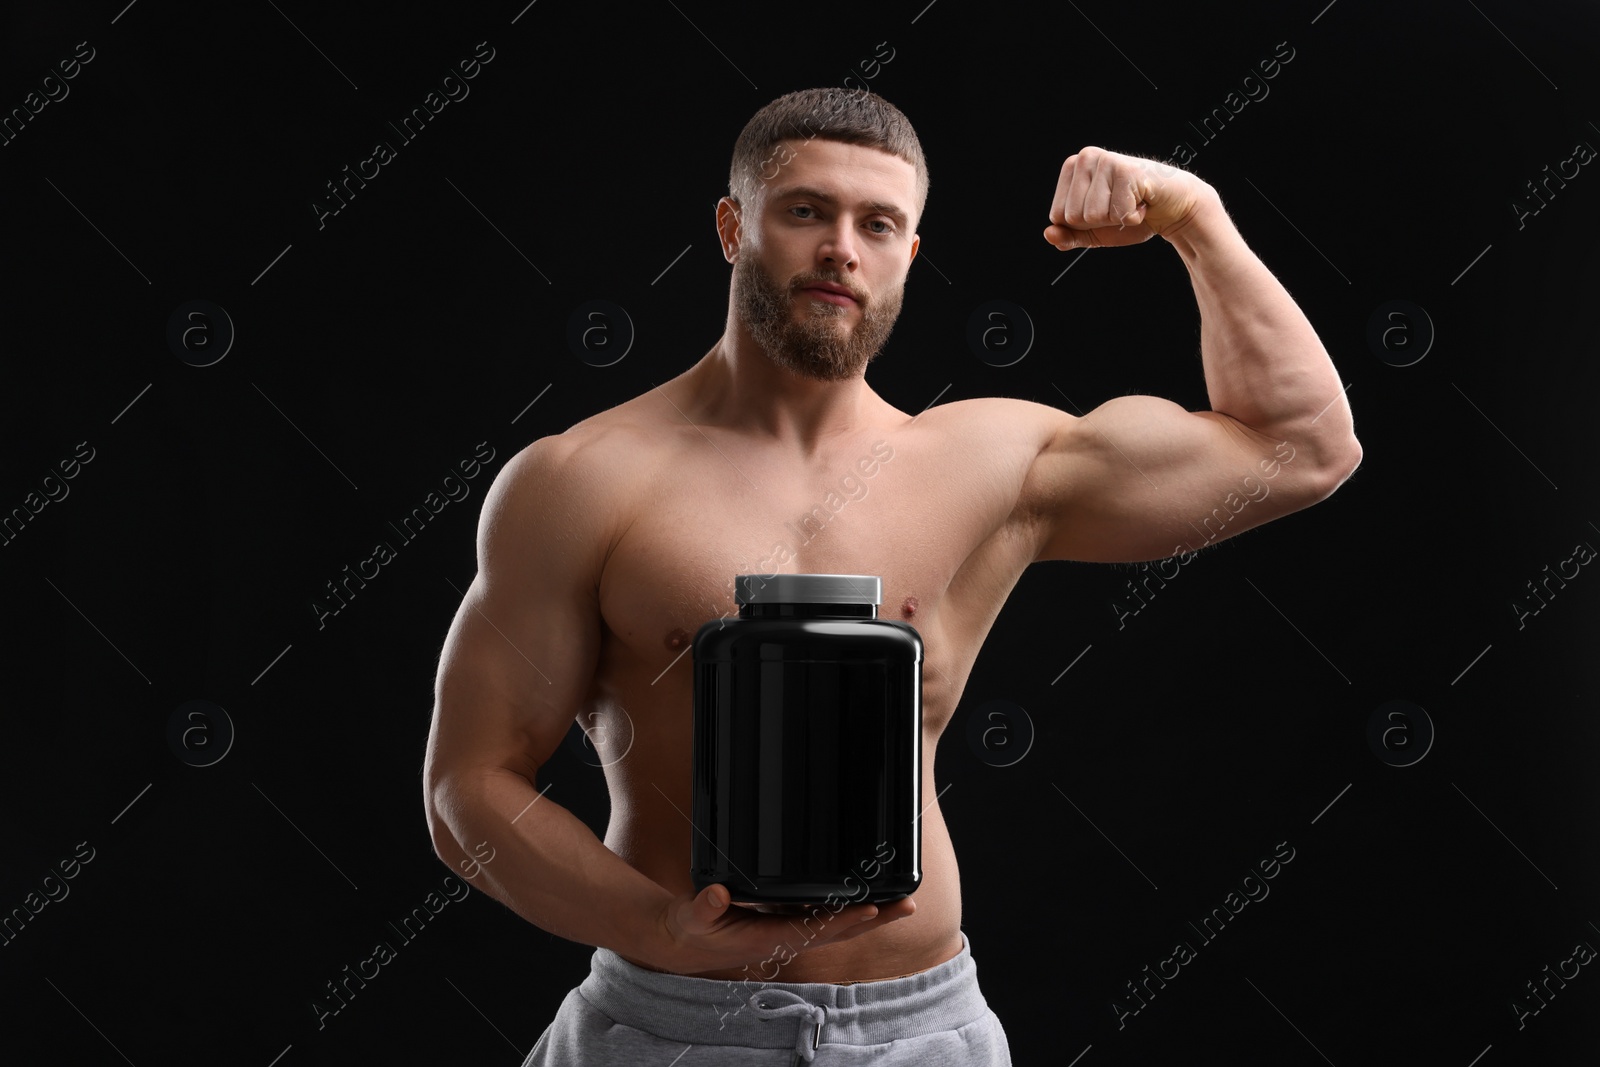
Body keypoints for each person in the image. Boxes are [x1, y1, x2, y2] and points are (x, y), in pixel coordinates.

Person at [422, 86, 1362, 1065]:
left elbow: (1302, 447)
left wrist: (1192, 216)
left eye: (878, 224)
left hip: (919, 1033)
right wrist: (660, 927)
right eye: (804, 211)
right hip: (668, 1023)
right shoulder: (580, 478)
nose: (841, 248)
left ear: (908, 255)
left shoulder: (990, 464)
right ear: (732, 226)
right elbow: (468, 784)